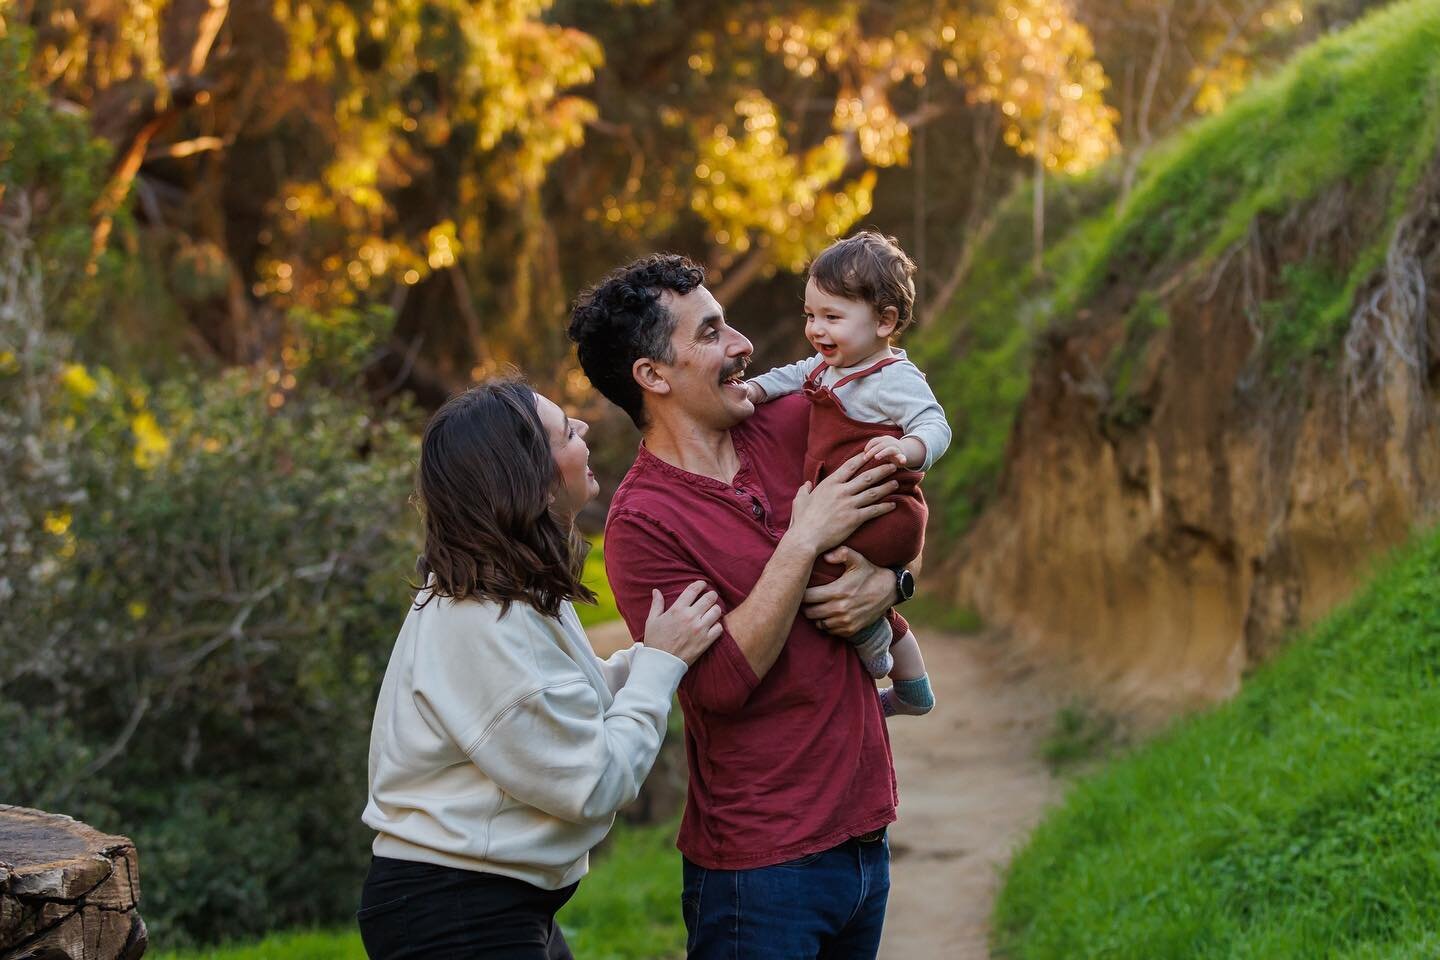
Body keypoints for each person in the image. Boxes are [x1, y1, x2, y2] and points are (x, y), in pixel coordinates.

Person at [568, 254, 914, 958]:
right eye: (711, 332)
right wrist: (803, 539)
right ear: (653, 376)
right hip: (760, 873)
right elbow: (719, 684)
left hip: (864, 837)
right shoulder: (643, 524)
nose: (743, 345)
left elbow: (902, 509)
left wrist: (891, 584)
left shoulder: (794, 419)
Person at [356, 379, 723, 959]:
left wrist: (651, 658)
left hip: (492, 900)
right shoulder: (485, 623)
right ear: (526, 477)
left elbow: (566, 706)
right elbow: (593, 781)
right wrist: (659, 665)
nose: (583, 433)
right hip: (456, 916)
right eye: (564, 433)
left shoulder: (508, 594)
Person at [744, 231, 948, 717]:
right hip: (858, 511)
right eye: (811, 316)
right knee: (821, 566)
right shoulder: (827, 367)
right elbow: (790, 375)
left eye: (832, 317)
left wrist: (907, 448)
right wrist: (753, 391)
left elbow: (935, 424)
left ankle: (871, 639)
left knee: (811, 570)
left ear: (885, 322)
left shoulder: (892, 378)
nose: (817, 329)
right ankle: (912, 687)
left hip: (886, 512)